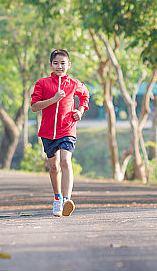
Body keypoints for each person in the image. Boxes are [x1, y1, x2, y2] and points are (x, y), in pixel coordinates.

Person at [31, 49, 89, 217]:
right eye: (56, 63)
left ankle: (66, 200)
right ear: (50, 65)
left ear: (69, 65)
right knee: (54, 166)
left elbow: (85, 96)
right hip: (48, 131)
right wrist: (53, 99)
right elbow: (34, 106)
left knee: (65, 161)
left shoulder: (74, 83)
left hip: (67, 128)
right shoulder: (42, 83)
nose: (59, 66)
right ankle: (57, 198)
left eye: (63, 63)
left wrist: (80, 111)